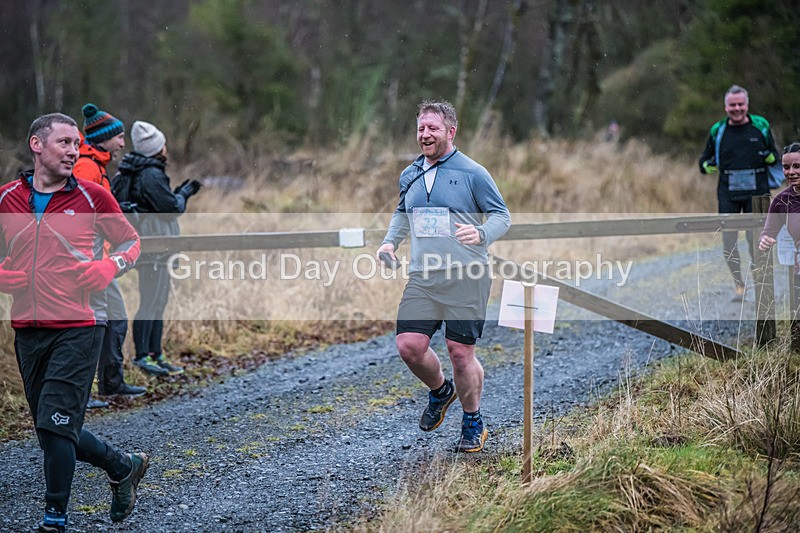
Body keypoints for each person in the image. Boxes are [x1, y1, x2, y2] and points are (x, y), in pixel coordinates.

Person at [0, 113, 148, 531]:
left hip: (81, 324)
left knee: (56, 425)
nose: (73, 151)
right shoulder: (7, 198)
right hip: (28, 327)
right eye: (64, 142)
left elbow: (131, 242)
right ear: (37, 144)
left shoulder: (91, 196)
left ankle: (54, 519)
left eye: (76, 144)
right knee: (51, 428)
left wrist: (109, 267)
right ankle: (122, 466)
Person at [376, 100, 511, 453]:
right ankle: (440, 391)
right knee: (409, 346)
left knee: (460, 353)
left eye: (433, 128)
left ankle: (473, 420)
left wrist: (481, 233)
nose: (425, 134)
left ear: (451, 132)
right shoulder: (409, 174)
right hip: (424, 276)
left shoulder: (473, 172)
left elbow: (502, 216)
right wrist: (390, 243)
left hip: (467, 275)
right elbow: (402, 213)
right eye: (421, 128)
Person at [73, 103, 146, 405]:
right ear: (104, 138)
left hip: (102, 259)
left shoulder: (96, 166)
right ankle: (85, 390)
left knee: (112, 319)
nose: (122, 143)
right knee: (99, 323)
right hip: (89, 261)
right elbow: (78, 213)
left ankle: (110, 383)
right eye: (118, 137)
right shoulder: (87, 167)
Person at [120, 120, 202, 376]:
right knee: (151, 301)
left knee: (158, 300)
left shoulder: (136, 170)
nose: (166, 147)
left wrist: (175, 194)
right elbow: (171, 209)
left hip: (155, 245)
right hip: (154, 246)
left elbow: (160, 204)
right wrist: (183, 194)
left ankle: (156, 354)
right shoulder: (150, 174)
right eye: (162, 143)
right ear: (156, 148)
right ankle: (143, 356)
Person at [699, 84, 779, 301]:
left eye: (740, 104)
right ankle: (739, 285)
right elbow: (703, 161)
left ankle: (761, 284)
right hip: (728, 193)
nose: (736, 109)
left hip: (758, 193)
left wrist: (770, 157)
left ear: (747, 105)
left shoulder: (761, 125)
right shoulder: (718, 130)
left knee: (757, 241)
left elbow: (775, 155)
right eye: (732, 105)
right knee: (729, 242)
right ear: (725, 107)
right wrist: (707, 167)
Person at [758, 142, 800, 257]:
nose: (791, 172)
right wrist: (764, 241)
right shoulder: (782, 200)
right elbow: (767, 234)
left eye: (797, 166)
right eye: (786, 167)